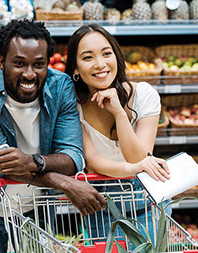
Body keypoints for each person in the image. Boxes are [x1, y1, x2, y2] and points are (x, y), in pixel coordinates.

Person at [0, 19, 107, 253]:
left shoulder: (61, 87)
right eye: (19, 63)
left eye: (39, 64)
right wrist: (62, 181)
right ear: (1, 62)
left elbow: (73, 156)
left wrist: (31, 162)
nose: (29, 74)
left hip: (37, 205)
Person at [65, 24, 172, 242]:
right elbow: (93, 161)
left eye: (107, 53)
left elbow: (139, 157)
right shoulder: (72, 106)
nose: (100, 64)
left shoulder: (144, 95)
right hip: (101, 208)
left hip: (148, 204)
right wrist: (134, 168)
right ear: (75, 68)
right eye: (88, 58)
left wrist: (119, 114)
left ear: (116, 56)